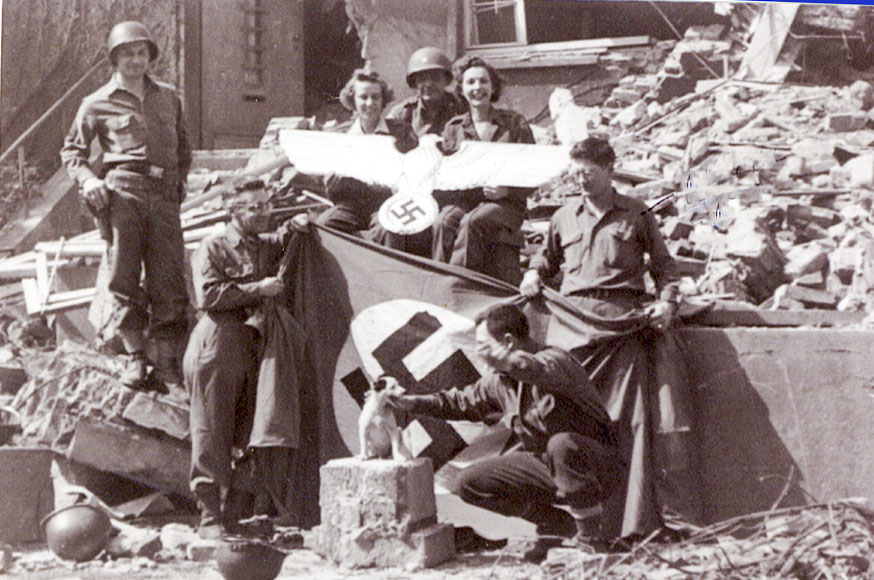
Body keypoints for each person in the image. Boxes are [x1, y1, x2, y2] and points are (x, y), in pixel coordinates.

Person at [520, 137, 699, 542]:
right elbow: (544, 262)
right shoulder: (563, 216)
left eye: (589, 172)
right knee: (564, 422)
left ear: (610, 169)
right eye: (575, 171)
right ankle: (577, 526)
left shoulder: (636, 213)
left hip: (621, 332)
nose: (580, 179)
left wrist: (667, 302)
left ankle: (631, 526)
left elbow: (666, 269)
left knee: (626, 426)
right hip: (571, 333)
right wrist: (533, 273)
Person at [386, 304, 621, 563]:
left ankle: (591, 541)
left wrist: (508, 361)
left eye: (483, 345)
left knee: (562, 443)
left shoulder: (557, 360)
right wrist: (412, 403)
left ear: (508, 342)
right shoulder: (499, 382)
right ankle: (556, 525)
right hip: (547, 465)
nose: (478, 352)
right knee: (469, 482)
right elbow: (459, 402)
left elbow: (536, 369)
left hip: (598, 467)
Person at [60, 21, 191, 391]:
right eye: (127, 53)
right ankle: (136, 358)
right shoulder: (95, 102)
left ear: (150, 56)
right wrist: (89, 180)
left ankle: (166, 363)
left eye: (141, 52)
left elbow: (183, 147)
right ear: (114, 59)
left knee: (169, 280)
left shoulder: (168, 97)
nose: (135, 60)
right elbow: (72, 152)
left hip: (164, 195)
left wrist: (178, 182)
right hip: (123, 192)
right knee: (124, 278)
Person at [184, 177, 309, 538]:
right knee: (211, 431)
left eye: (266, 204)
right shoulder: (213, 246)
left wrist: (295, 224)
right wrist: (258, 289)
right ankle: (209, 519)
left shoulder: (262, 243)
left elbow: (285, 237)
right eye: (254, 207)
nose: (263, 212)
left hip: (252, 345)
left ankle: (235, 514)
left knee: (250, 430)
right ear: (232, 210)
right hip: (217, 345)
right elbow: (208, 296)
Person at [435, 56, 535, 285]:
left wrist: (507, 191)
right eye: (470, 83)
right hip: (465, 202)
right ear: (462, 88)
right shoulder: (454, 127)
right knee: (442, 221)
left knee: (473, 221)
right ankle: (437, 283)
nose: (477, 88)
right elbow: (445, 174)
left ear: (493, 87)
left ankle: (457, 287)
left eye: (483, 82)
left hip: (506, 206)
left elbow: (533, 172)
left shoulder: (514, 123)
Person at [376, 47, 465, 257]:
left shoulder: (462, 109)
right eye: (421, 78)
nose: (428, 84)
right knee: (392, 227)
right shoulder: (402, 114)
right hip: (412, 192)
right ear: (414, 83)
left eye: (435, 77)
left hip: (450, 191)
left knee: (443, 225)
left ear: (446, 80)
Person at [316, 69, 417, 234]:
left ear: (383, 100)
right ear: (352, 100)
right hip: (350, 207)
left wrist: (388, 187)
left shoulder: (402, 132)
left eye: (375, 97)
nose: (370, 103)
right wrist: (331, 185)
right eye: (363, 97)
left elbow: (413, 179)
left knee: (387, 228)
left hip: (388, 204)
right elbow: (334, 194)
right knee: (325, 224)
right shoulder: (340, 135)